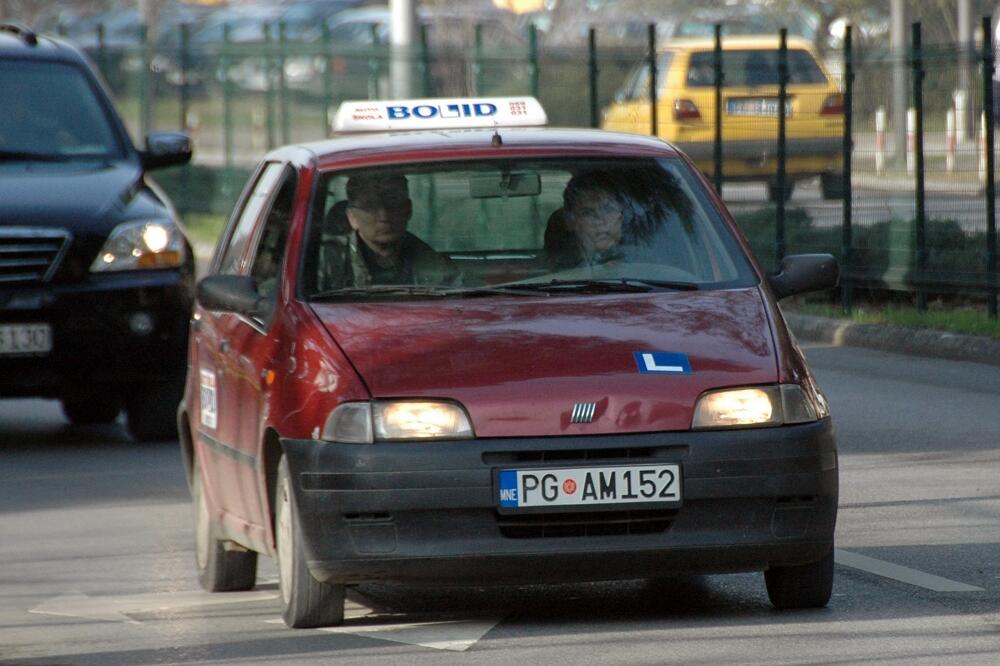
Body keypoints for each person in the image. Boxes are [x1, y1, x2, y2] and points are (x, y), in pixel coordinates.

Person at [318, 173, 458, 289]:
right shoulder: (325, 262)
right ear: (352, 217)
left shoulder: (435, 266)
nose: (384, 216)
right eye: (370, 207)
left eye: (393, 203)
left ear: (408, 210)